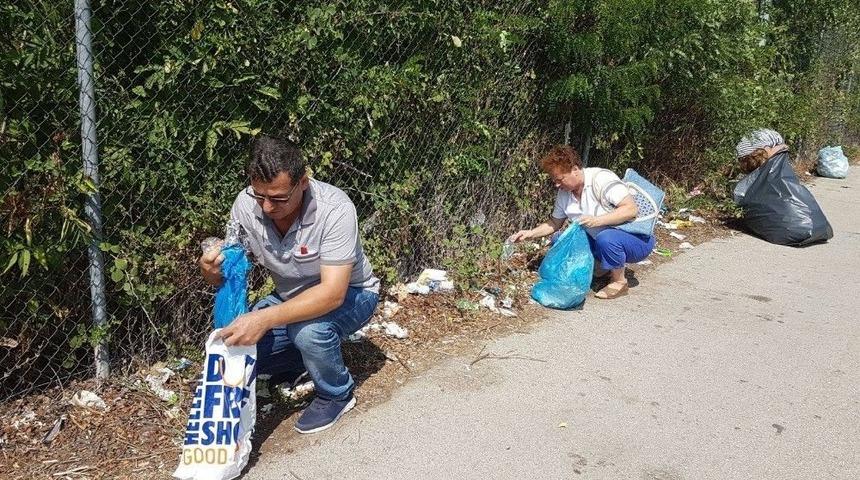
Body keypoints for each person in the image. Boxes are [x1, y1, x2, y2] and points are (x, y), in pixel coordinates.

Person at [198, 136, 380, 434]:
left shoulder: (334, 209)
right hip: (289, 296)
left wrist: (263, 318)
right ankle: (303, 361)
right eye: (260, 195)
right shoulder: (246, 204)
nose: (268, 206)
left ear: (302, 182)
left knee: (308, 332)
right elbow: (231, 275)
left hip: (354, 294)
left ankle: (336, 393)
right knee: (240, 346)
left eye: (279, 198)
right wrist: (211, 270)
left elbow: (332, 295)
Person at [509, 145, 655, 299]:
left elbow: (631, 209)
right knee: (560, 239)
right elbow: (554, 223)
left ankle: (619, 282)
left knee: (606, 238)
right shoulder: (564, 193)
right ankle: (601, 268)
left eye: (560, 179)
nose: (557, 185)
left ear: (575, 169)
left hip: (637, 240)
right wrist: (530, 233)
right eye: (554, 180)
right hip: (599, 240)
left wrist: (597, 221)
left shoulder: (601, 178)